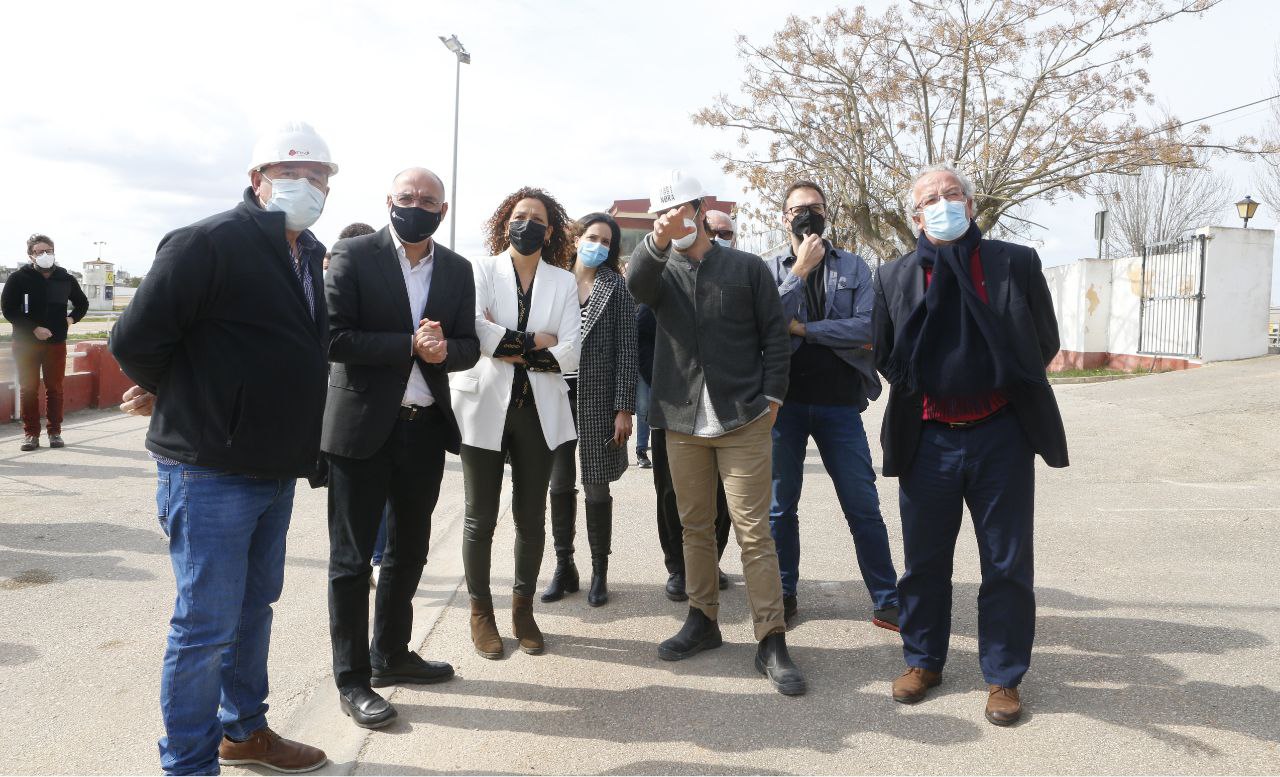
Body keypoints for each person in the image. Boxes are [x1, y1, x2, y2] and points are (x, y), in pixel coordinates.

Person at [109, 121, 335, 775]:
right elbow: (135, 339)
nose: (308, 186)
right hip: (207, 469)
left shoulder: (310, 253)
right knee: (204, 624)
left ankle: (244, 730)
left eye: (319, 177)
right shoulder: (208, 242)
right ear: (257, 179)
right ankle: (187, 762)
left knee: (253, 607)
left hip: (274, 465)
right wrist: (177, 391)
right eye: (292, 174)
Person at [873, 164, 1068, 726]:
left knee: (1006, 563)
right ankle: (923, 660)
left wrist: (998, 380)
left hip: (1001, 434)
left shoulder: (1016, 262)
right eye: (930, 199)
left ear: (972, 204)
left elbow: (1044, 338)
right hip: (928, 438)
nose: (943, 203)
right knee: (924, 563)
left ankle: (1004, 677)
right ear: (915, 216)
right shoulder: (893, 276)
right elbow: (883, 352)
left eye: (952, 194)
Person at [628, 170, 805, 696]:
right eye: (660, 216)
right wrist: (655, 242)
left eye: (678, 210)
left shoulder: (746, 268)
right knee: (694, 527)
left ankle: (771, 636)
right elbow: (637, 286)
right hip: (680, 421)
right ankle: (703, 619)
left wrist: (773, 396)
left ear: (700, 208)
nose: (670, 221)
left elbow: (775, 335)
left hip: (742, 416)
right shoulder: (659, 270)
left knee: (754, 530)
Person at [322, 169, 478, 728]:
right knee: (351, 558)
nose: (417, 206)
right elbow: (333, 336)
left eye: (428, 201)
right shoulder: (354, 255)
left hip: (423, 428)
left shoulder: (457, 270)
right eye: (407, 198)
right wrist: (407, 345)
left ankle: (392, 653)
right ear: (390, 202)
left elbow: (467, 345)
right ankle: (353, 677)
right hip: (360, 428)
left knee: (409, 550)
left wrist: (443, 354)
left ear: (442, 209)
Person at [765, 181, 900, 630]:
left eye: (815, 208)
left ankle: (886, 597)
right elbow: (767, 325)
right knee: (780, 506)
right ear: (783, 216)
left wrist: (804, 331)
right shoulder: (767, 269)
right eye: (798, 209)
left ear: (828, 213)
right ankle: (784, 593)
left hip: (840, 403)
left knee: (862, 503)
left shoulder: (856, 267)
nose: (807, 215)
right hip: (782, 404)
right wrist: (799, 271)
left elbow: (866, 328)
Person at [451, 187, 580, 659]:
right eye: (519, 215)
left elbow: (570, 350)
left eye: (537, 218)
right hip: (483, 407)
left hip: (538, 412)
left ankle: (523, 610)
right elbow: (476, 332)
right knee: (479, 517)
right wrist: (534, 343)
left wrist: (509, 343)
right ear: (506, 222)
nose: (527, 224)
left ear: (550, 231)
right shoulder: (480, 270)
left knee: (531, 517)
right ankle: (480, 612)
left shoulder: (563, 282)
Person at [541, 213, 637, 607]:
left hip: (598, 398)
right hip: (554, 394)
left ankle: (600, 571)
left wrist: (624, 409)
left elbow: (627, 350)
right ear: (577, 237)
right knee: (559, 483)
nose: (597, 245)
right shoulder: (554, 280)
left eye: (606, 241)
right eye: (591, 236)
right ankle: (565, 566)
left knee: (597, 484)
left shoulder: (616, 287)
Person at [1, 234, 88, 451]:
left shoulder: (65, 278)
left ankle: (55, 432)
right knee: (28, 388)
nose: (45, 254)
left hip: (56, 343)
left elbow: (82, 303)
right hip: (25, 344)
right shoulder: (18, 278)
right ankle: (31, 434)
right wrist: (34, 328)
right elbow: (8, 309)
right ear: (31, 255)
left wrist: (70, 319)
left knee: (55, 388)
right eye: (39, 251)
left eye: (48, 250)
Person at [634, 303, 653, 469]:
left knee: (647, 410)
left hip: (656, 365)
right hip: (643, 364)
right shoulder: (646, 308)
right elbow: (637, 336)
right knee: (643, 409)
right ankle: (641, 449)